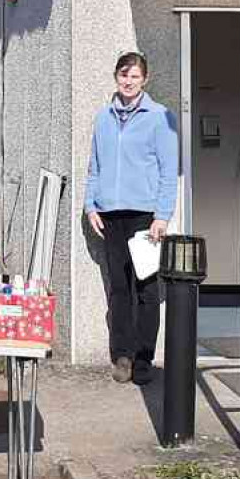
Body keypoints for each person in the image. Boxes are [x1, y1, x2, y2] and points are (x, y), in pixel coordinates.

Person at [84, 51, 178, 384]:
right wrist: (90, 205)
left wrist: (162, 216)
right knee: (119, 289)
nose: (128, 81)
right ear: (116, 77)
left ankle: (143, 358)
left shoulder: (159, 117)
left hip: (144, 216)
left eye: (135, 76)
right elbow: (95, 166)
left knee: (147, 290)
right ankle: (121, 355)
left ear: (145, 80)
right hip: (111, 214)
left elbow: (169, 172)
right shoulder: (103, 118)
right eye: (124, 74)